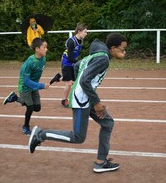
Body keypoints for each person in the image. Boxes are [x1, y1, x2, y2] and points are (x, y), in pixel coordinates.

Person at [28, 33, 127, 173]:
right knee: (78, 137)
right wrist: (97, 102)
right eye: (122, 49)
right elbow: (85, 81)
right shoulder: (103, 59)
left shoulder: (95, 55)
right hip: (81, 100)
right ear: (113, 48)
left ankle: (101, 161)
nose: (124, 52)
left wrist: (79, 86)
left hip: (86, 97)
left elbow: (77, 66)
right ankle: (41, 135)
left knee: (108, 123)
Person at [3, 37, 50, 136]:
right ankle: (25, 126)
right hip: (25, 86)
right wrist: (41, 85)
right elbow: (26, 81)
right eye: (44, 47)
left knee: (37, 108)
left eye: (46, 47)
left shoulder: (43, 59)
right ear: (37, 49)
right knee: (30, 107)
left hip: (33, 86)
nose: (46, 49)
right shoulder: (30, 62)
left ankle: (14, 97)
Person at [60, 23, 88, 107]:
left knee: (74, 82)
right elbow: (69, 57)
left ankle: (58, 77)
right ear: (79, 31)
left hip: (72, 63)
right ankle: (64, 100)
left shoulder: (81, 41)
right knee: (69, 83)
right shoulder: (71, 41)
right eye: (85, 32)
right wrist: (80, 62)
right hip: (66, 63)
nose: (86, 34)